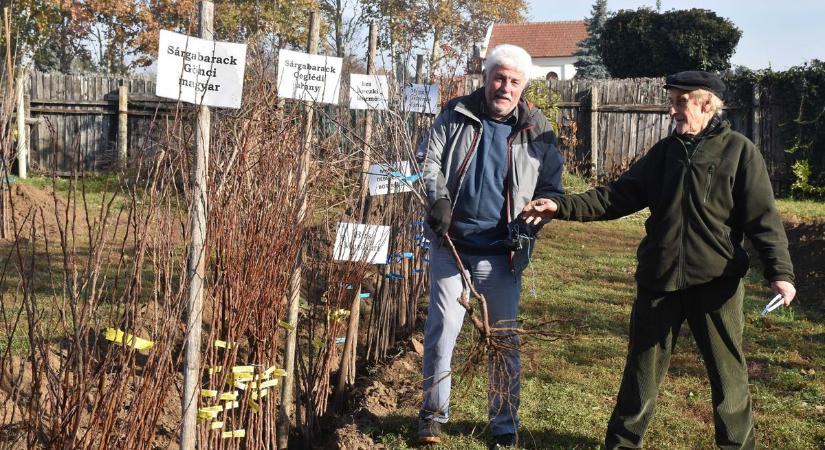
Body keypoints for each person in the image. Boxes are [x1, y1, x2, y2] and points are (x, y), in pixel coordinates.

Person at [521, 70, 796, 449]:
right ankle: (622, 444)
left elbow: (763, 218)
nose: (673, 111)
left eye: (680, 102)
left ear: (705, 103)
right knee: (640, 374)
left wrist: (780, 273)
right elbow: (616, 196)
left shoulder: (739, 152)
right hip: (659, 279)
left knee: (728, 377)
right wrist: (560, 205)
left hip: (716, 283)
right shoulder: (664, 153)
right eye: (672, 102)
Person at [417, 44, 565, 448]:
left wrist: (544, 208)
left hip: (504, 254)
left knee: (503, 340)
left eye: (514, 82)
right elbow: (429, 161)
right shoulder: (456, 113)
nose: (505, 87)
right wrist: (439, 199)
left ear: (524, 86)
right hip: (453, 246)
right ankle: (432, 415)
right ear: (486, 77)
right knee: (442, 330)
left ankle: (503, 424)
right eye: (499, 78)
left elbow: (553, 185)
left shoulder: (538, 127)